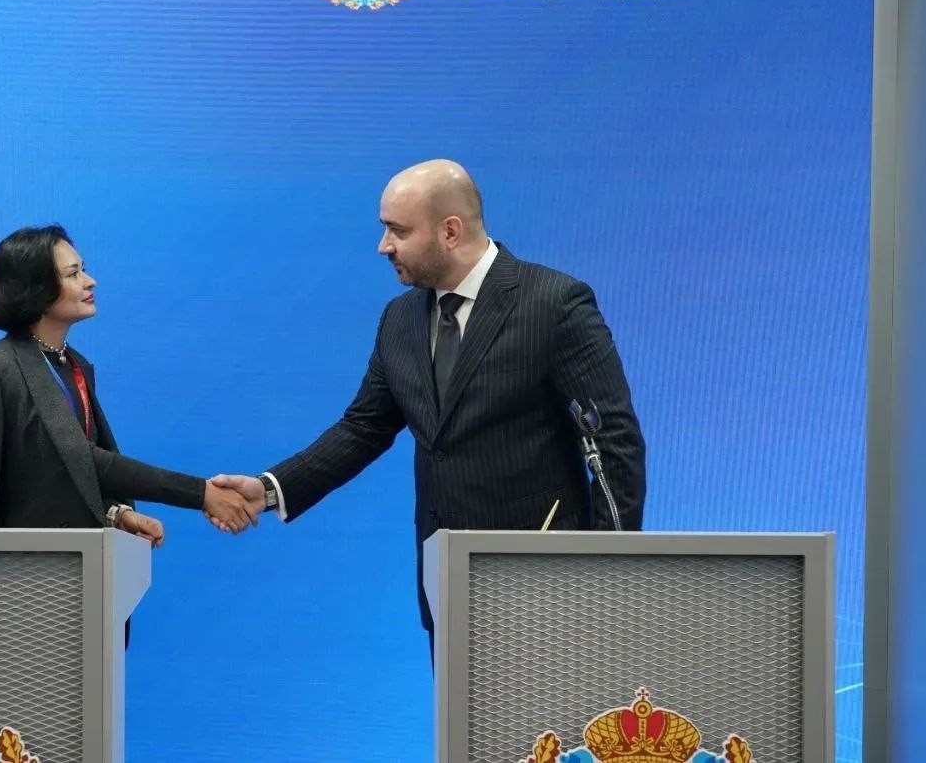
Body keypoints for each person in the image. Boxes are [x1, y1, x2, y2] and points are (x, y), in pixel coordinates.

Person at [212, 159, 646, 653]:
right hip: (448, 587)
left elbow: (615, 442)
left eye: (398, 230)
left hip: (551, 588)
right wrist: (270, 489)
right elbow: (363, 428)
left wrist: (608, 576)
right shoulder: (399, 319)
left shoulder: (553, 303)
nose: (383, 246)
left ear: (450, 232)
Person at [0, 224, 255, 540]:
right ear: (36, 288)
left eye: (83, 270)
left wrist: (116, 514)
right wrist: (200, 493)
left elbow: (70, 474)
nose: (90, 281)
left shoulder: (76, 365)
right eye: (73, 274)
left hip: (80, 562)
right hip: (23, 567)